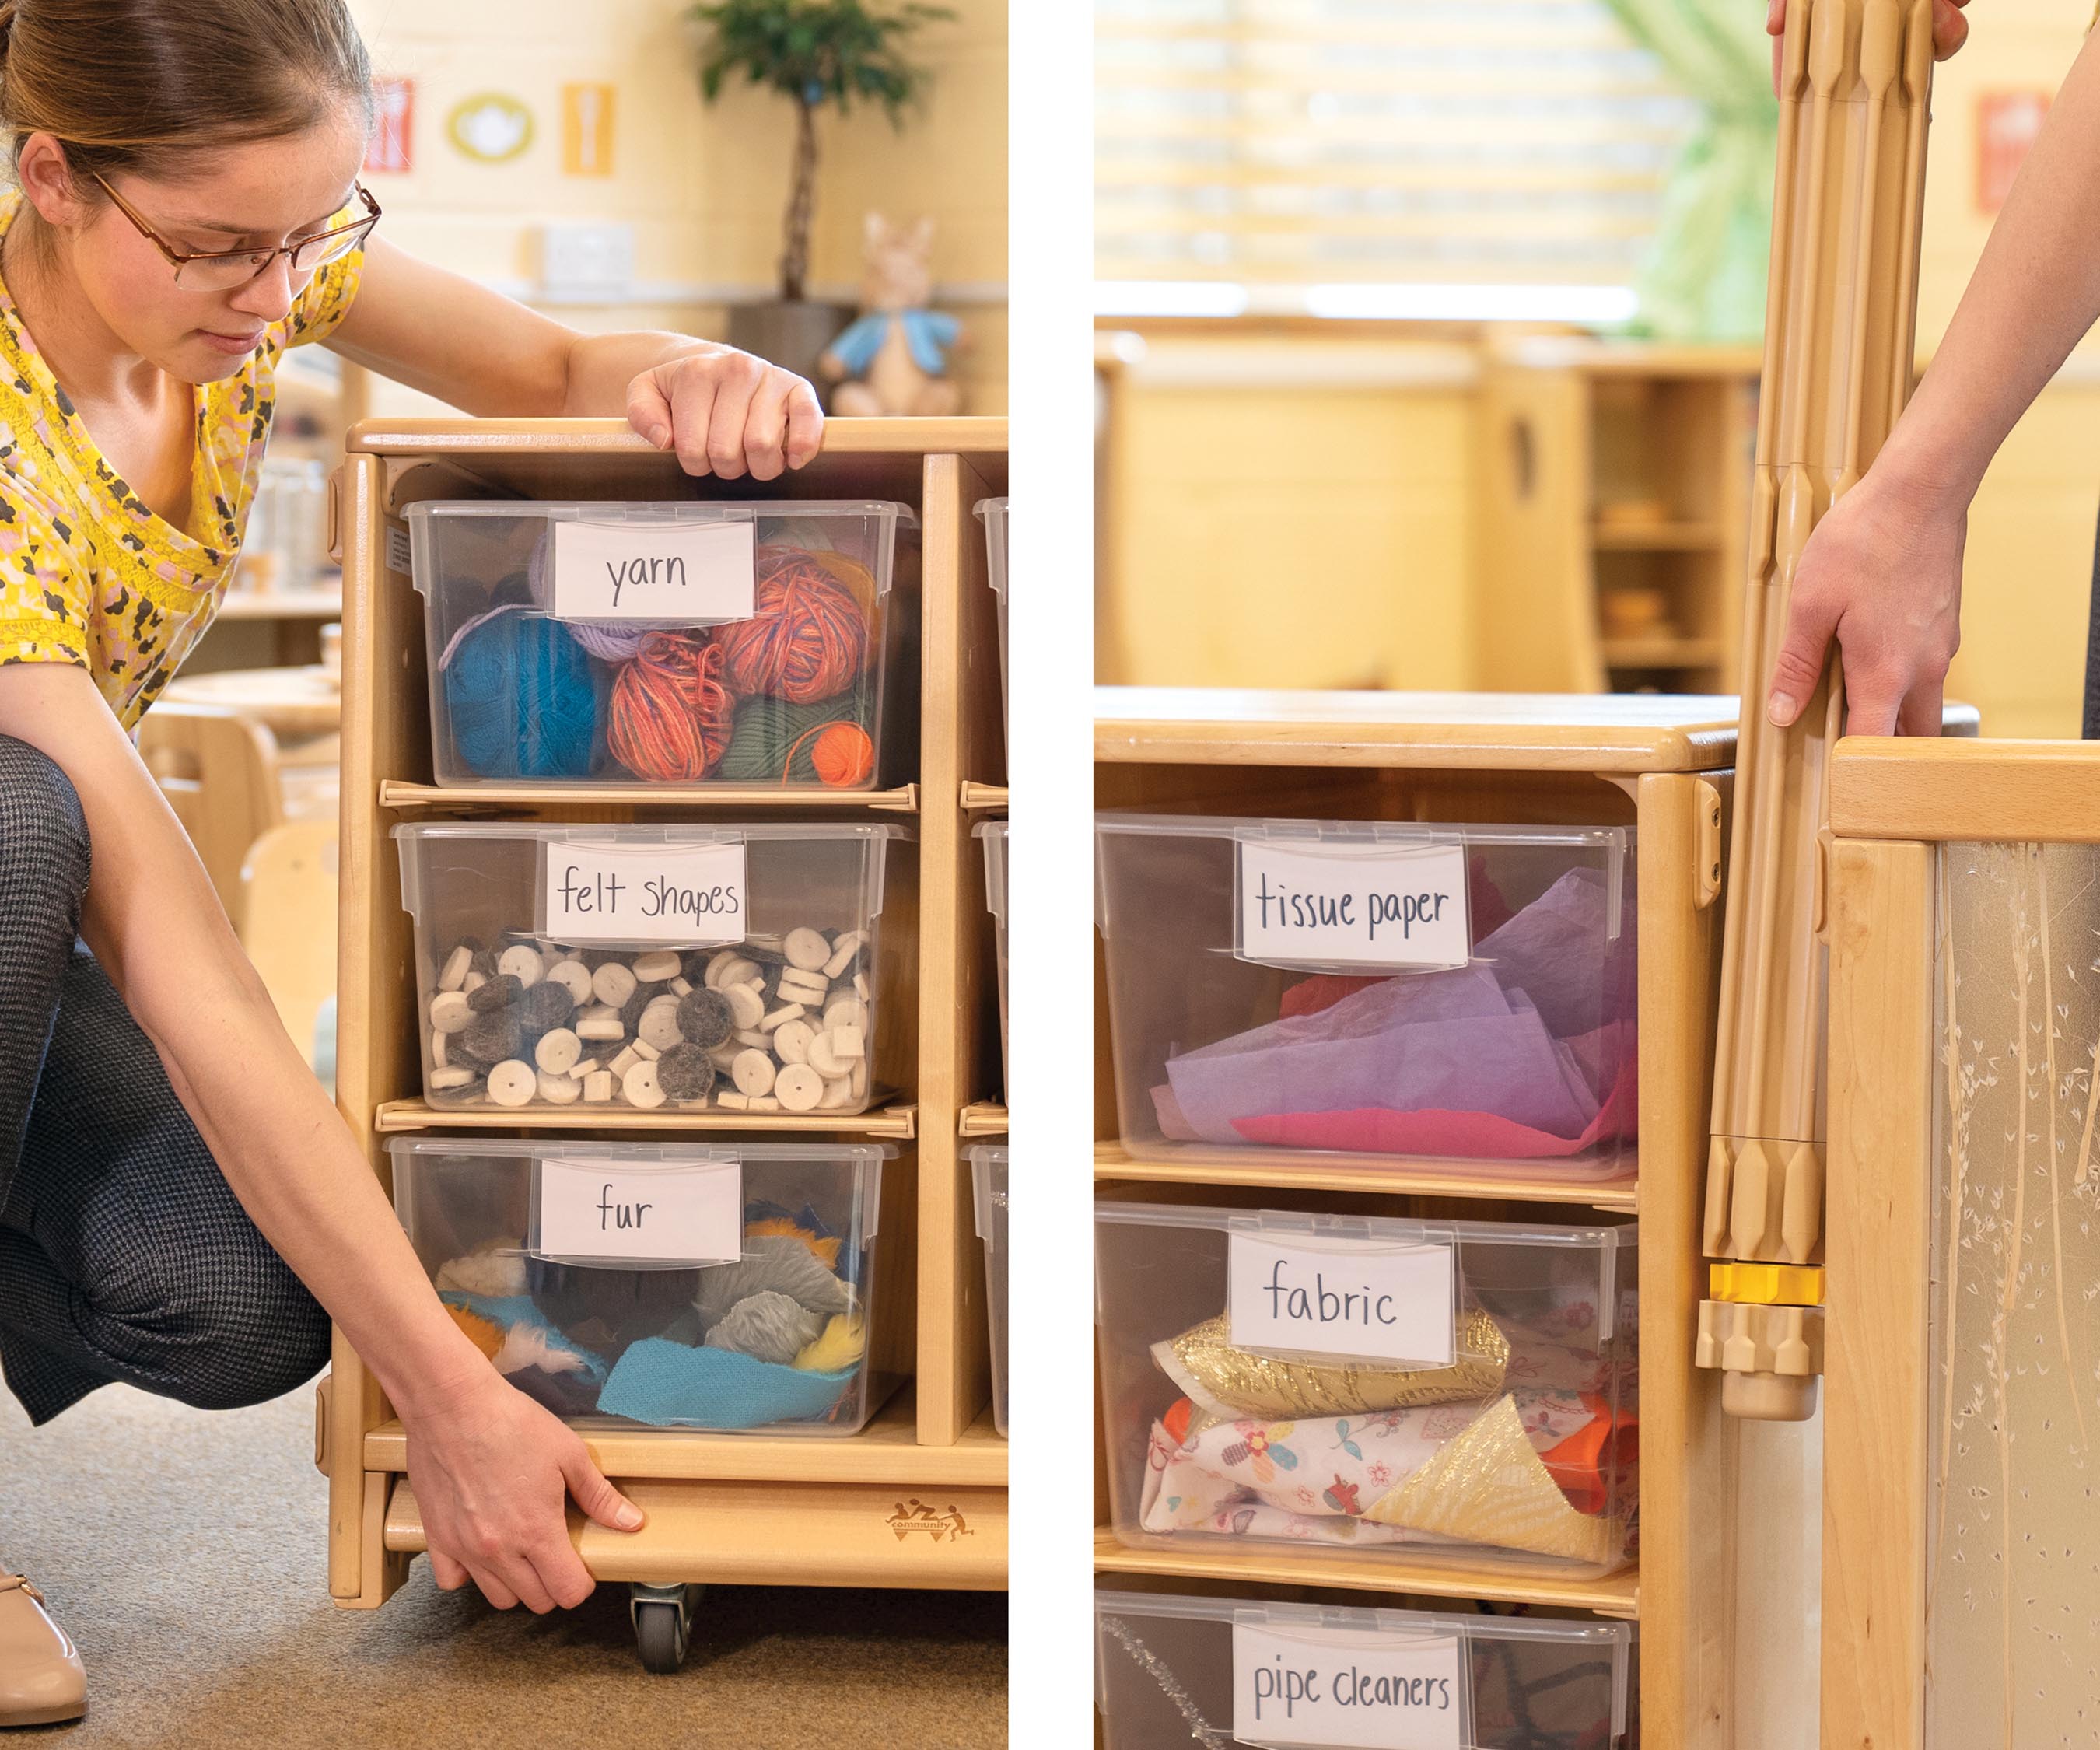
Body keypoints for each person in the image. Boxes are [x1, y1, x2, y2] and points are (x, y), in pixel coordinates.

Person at [0, 0, 825, 1727]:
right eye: (221, 246)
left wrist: (699, 368)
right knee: (21, 822)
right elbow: (184, 961)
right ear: (52, 177)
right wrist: (446, 1396)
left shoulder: (259, 268)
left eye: (313, 233)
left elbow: (545, 368)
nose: (273, 287)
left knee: (232, 1304)